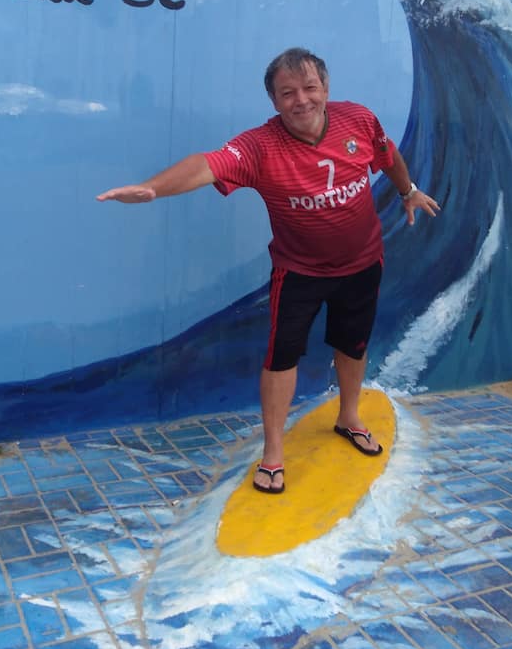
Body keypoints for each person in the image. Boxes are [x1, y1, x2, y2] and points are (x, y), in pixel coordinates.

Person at [97, 47, 439, 494]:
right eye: (287, 93)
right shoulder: (260, 146)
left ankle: (349, 416)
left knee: (353, 345)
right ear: (274, 101)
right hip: (299, 273)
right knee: (281, 358)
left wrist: (408, 191)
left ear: (325, 88)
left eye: (310, 88)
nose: (301, 100)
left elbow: (387, 154)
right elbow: (207, 164)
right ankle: (273, 453)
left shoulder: (358, 119)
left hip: (362, 263)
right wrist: (152, 189)